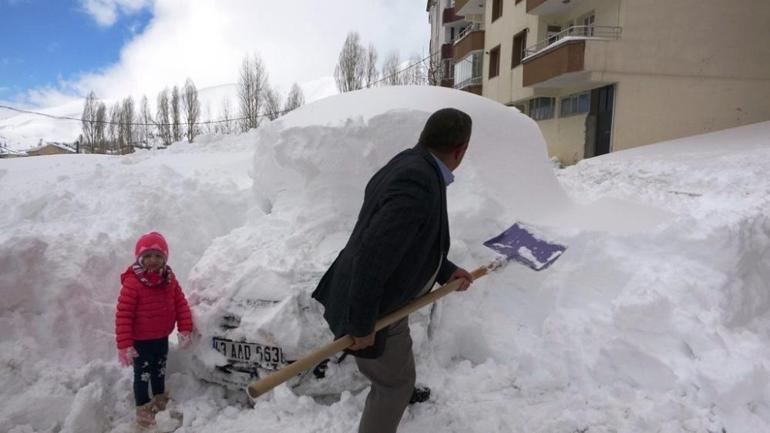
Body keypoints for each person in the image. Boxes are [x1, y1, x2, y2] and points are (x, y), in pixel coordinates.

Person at [312, 108, 474, 433]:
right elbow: (373, 255)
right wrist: (361, 324)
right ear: (460, 150)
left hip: (387, 298)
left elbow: (411, 243)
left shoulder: (410, 163)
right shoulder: (418, 182)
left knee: (398, 349)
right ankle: (399, 389)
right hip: (372, 305)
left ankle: (403, 384)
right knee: (391, 386)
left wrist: (447, 271)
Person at [115, 231, 194, 428]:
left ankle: (159, 396)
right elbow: (123, 315)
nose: (153, 260)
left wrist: (185, 328)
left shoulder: (169, 279)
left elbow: (180, 303)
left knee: (159, 369)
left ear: (164, 258)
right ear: (140, 259)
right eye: (148, 256)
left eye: (158, 256)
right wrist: (125, 345)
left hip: (161, 337)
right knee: (142, 374)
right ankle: (142, 406)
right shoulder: (133, 284)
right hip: (140, 340)